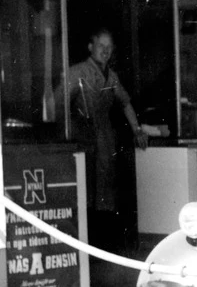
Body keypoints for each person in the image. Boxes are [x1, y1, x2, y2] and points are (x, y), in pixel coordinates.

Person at [56, 28, 148, 226]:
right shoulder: (77, 71)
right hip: (82, 135)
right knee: (85, 187)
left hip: (104, 137)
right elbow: (57, 103)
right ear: (91, 47)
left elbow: (125, 102)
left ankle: (102, 234)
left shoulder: (111, 76)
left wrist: (137, 130)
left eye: (109, 47)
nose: (105, 51)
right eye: (100, 46)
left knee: (104, 189)